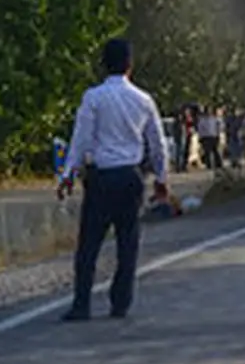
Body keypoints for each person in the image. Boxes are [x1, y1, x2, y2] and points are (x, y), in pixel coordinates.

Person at [60, 38, 169, 321]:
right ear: (130, 65)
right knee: (127, 242)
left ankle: (81, 303)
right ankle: (120, 303)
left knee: (89, 244)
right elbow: (157, 144)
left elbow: (81, 139)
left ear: (103, 65)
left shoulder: (93, 97)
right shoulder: (143, 100)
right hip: (131, 177)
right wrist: (162, 177)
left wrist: (67, 174)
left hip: (101, 178)